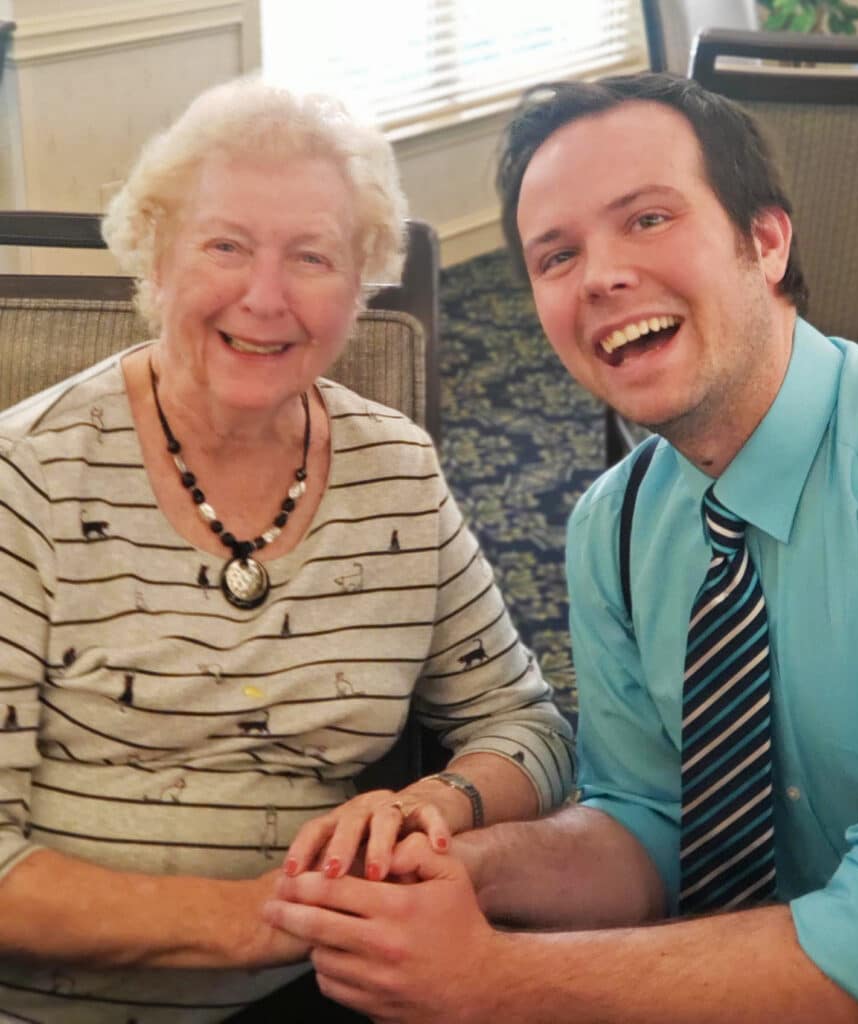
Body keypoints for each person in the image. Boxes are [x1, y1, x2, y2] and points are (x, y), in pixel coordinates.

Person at [264, 73, 858, 1023]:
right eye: (556, 255)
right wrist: (455, 862)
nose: (601, 275)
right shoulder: (614, 524)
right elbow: (649, 826)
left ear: (765, 242)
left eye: (647, 219)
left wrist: (494, 982)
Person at [0, 77, 575, 1022]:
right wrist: (265, 921)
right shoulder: (29, 476)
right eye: (224, 245)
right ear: (155, 258)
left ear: (359, 289)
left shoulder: (396, 469)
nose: (264, 298)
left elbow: (529, 728)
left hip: (330, 986)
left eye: (311, 257)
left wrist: (432, 805)